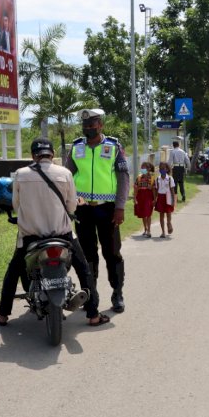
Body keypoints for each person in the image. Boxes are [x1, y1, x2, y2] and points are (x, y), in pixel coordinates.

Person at [0, 138, 109, 327]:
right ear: (52, 154)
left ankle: (2, 315)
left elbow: (16, 205)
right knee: (83, 270)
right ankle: (94, 314)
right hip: (62, 235)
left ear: (33, 156)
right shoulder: (65, 173)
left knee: (14, 270)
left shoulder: (21, 175)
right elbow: (72, 206)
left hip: (31, 236)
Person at [66, 109, 130, 313]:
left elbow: (123, 178)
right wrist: (71, 201)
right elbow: (67, 176)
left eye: (92, 125)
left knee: (112, 253)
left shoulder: (113, 146)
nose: (88, 129)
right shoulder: (76, 147)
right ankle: (91, 294)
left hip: (108, 209)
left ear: (100, 125)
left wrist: (120, 206)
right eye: (85, 126)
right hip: (83, 209)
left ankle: (117, 292)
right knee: (87, 255)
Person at [134, 161, 156, 238]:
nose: (142, 169)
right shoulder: (139, 178)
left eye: (144, 167)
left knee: (149, 214)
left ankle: (149, 231)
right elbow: (135, 188)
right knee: (143, 214)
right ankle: (145, 229)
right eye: (142, 167)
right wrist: (134, 198)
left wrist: (155, 199)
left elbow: (154, 190)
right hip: (140, 198)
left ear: (149, 169)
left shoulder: (152, 178)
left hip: (149, 197)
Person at [155, 162, 176, 238]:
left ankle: (168, 223)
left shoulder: (170, 178)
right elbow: (156, 191)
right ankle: (163, 232)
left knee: (168, 213)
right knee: (161, 215)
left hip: (168, 197)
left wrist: (173, 201)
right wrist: (155, 200)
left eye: (163, 168)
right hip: (160, 198)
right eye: (160, 169)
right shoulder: (157, 179)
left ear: (167, 169)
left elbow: (172, 191)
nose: (161, 170)